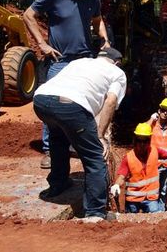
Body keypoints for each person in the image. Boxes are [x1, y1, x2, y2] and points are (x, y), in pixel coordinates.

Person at [23, 0, 110, 169]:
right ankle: (50, 151)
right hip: (59, 61)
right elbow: (28, 15)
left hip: (84, 59)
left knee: (84, 104)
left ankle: (76, 145)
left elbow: (98, 22)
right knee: (53, 106)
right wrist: (42, 44)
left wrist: (105, 40)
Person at [32, 47, 126, 221]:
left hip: (41, 101)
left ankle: (58, 184)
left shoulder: (79, 62)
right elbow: (111, 101)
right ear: (118, 62)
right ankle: (95, 213)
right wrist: (100, 135)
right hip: (71, 106)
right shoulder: (117, 73)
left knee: (58, 139)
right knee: (95, 157)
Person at [110, 123, 167, 213]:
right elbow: (121, 177)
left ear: (149, 140)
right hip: (133, 200)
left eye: (145, 141)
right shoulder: (128, 158)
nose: (142, 144)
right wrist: (116, 185)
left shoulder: (154, 151)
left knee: (156, 221)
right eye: (139, 141)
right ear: (135, 141)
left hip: (151, 199)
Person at [146, 98, 167, 209]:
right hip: (153, 163)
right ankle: (152, 210)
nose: (165, 113)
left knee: (163, 190)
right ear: (159, 110)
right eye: (164, 110)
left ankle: (161, 210)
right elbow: (143, 130)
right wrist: (151, 119)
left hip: (166, 163)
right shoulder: (153, 125)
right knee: (153, 189)